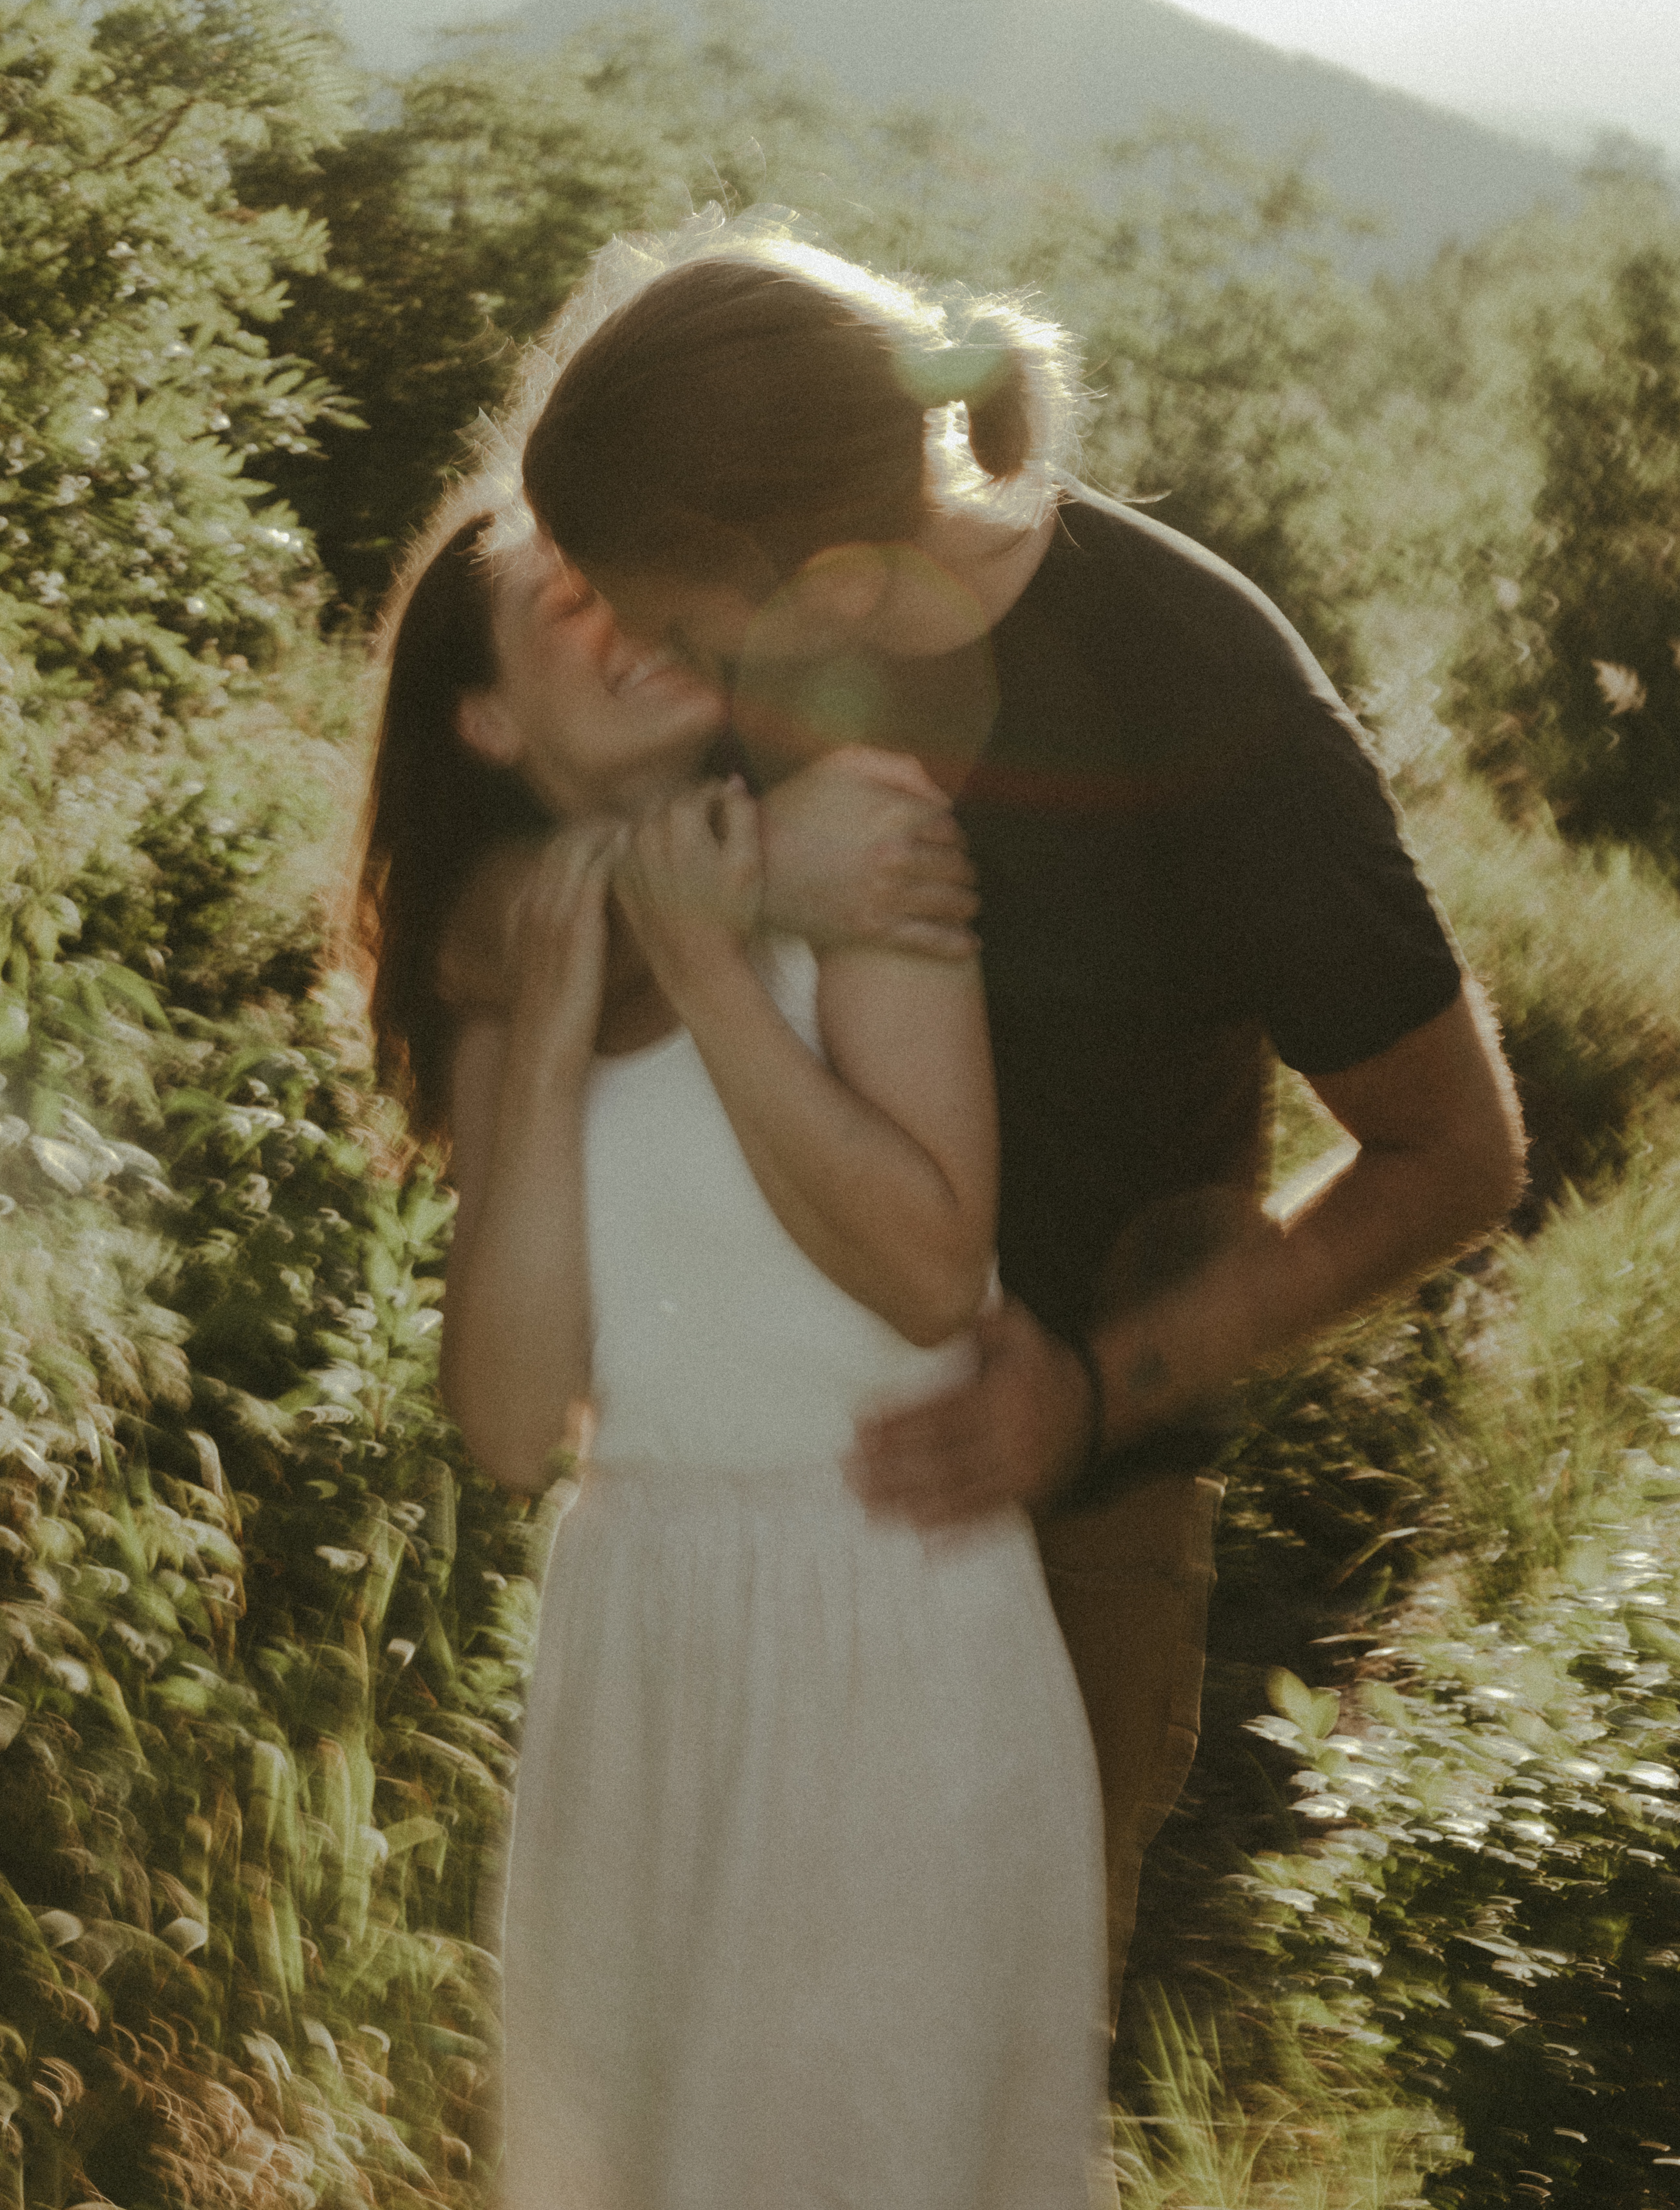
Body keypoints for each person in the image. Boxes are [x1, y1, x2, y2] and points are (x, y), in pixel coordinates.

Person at [442, 209, 1528, 2005]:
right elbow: (485, 883)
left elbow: (1456, 1152)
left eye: (677, 618)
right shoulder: (748, 654)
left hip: (1051, 1530)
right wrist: (741, 874)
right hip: (728, 1535)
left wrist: (1096, 1395)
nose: (664, 665)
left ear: (808, 558)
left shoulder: (1193, 680)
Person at [353, 486, 1112, 2210]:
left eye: (628, 581)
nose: (628, 622)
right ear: (484, 717)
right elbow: (500, 1423)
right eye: (565, 609)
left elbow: (930, 1276)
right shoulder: (508, 957)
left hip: (889, 1617)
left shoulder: (854, 821)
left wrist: (706, 965)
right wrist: (551, 1027)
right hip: (640, 1646)